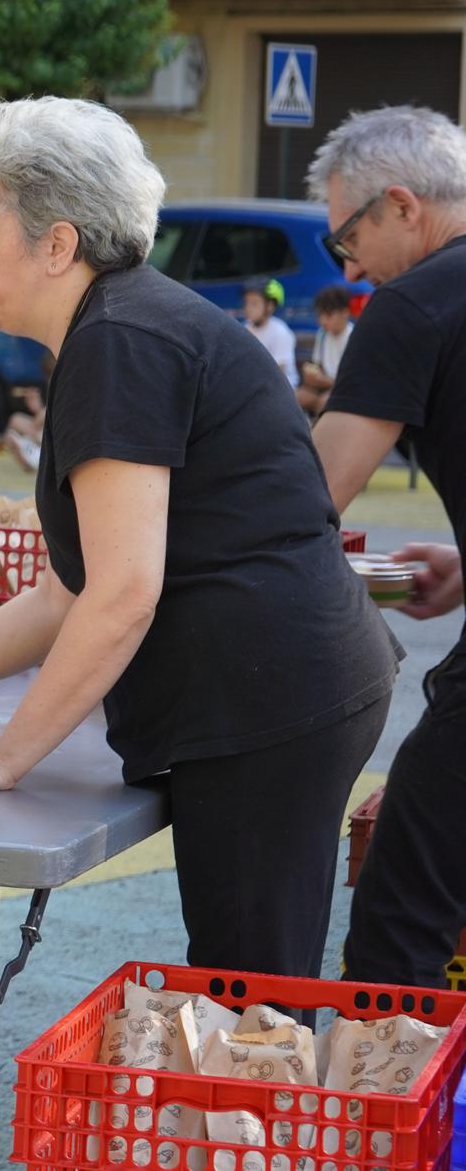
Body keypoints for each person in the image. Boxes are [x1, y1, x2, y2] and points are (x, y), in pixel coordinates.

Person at [0, 96, 399, 980]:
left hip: (267, 704)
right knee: (249, 979)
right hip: (270, 690)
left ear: (58, 244)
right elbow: (64, 591)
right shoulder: (114, 328)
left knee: (251, 996)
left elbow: (122, 593)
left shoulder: (120, 340)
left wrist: (0, 758)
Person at [308, 106, 466, 989]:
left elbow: (308, 498)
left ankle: (393, 1125)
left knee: (398, 927)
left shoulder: (413, 305)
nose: (350, 264)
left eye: (348, 235)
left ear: (401, 205)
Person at [297, 284, 354, 417]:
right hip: (324, 388)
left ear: (344, 313)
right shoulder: (322, 335)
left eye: (328, 315)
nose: (322, 321)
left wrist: (323, 380)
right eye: (320, 315)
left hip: (345, 391)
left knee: (324, 402)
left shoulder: (353, 337)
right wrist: (310, 376)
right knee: (295, 397)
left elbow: (351, 383)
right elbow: (318, 365)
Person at [242, 278, 299, 386]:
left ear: (270, 306)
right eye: (246, 303)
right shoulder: (245, 328)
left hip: (282, 388)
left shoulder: (280, 331)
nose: (248, 308)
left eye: (254, 303)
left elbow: (279, 369)